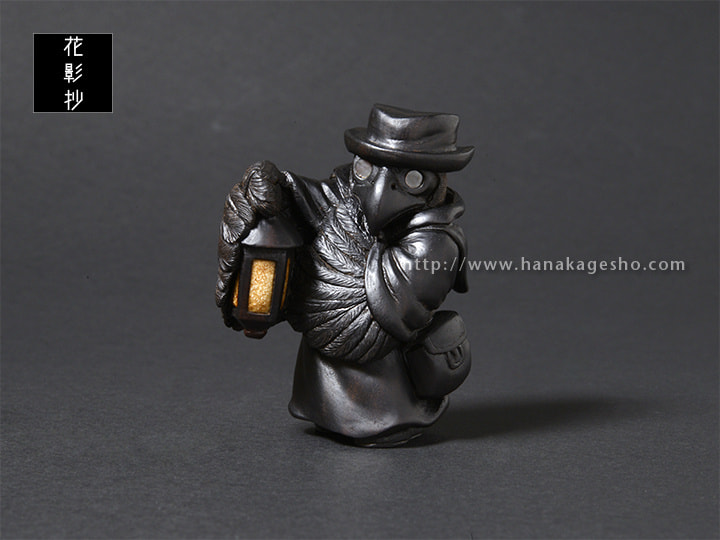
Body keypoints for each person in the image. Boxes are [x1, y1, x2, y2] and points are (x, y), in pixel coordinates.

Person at [216, 104, 474, 446]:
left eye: (412, 179)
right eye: (367, 169)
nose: (380, 191)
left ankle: (377, 423)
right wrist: (271, 187)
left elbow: (365, 321)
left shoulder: (438, 243)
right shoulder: (346, 197)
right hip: (322, 382)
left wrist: (311, 259)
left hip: (383, 395)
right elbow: (303, 200)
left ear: (435, 180)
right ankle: (326, 412)